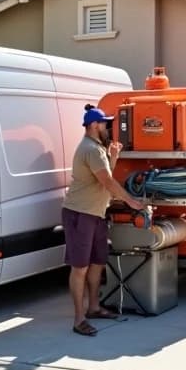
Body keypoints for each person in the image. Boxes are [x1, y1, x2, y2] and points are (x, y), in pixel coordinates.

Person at [61, 104, 145, 336]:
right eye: (105, 123)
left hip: (96, 213)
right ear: (94, 125)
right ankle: (79, 320)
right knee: (80, 267)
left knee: (98, 261)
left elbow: (101, 177)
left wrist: (114, 157)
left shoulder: (97, 148)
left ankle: (94, 307)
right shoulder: (90, 149)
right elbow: (107, 182)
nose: (108, 127)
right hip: (80, 214)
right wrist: (131, 202)